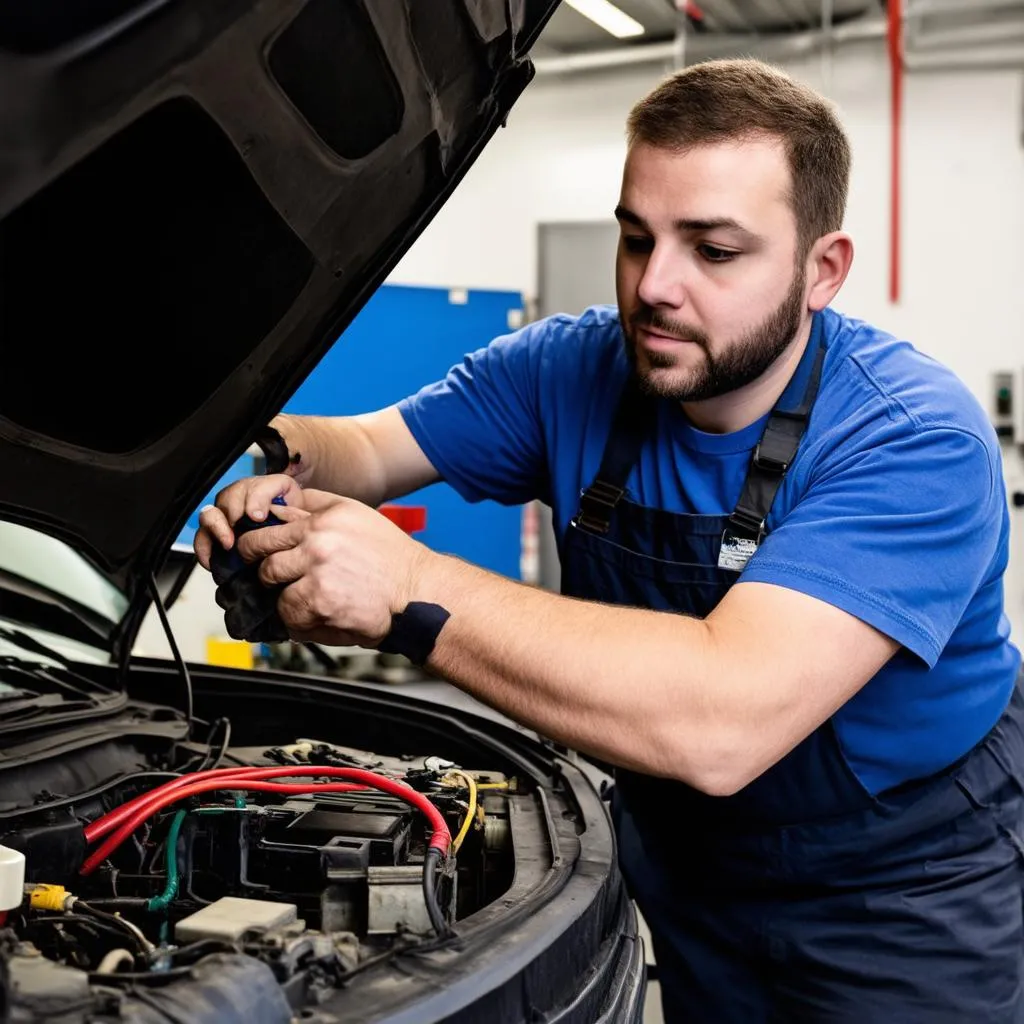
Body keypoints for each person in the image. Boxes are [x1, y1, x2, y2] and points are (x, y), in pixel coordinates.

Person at [195, 58, 1024, 1022]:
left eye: (713, 251)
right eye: (637, 238)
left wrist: (410, 585)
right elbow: (370, 448)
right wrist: (272, 456)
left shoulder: (911, 439)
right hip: (689, 864)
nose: (654, 287)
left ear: (821, 271)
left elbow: (721, 722)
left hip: (904, 890)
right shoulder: (571, 367)